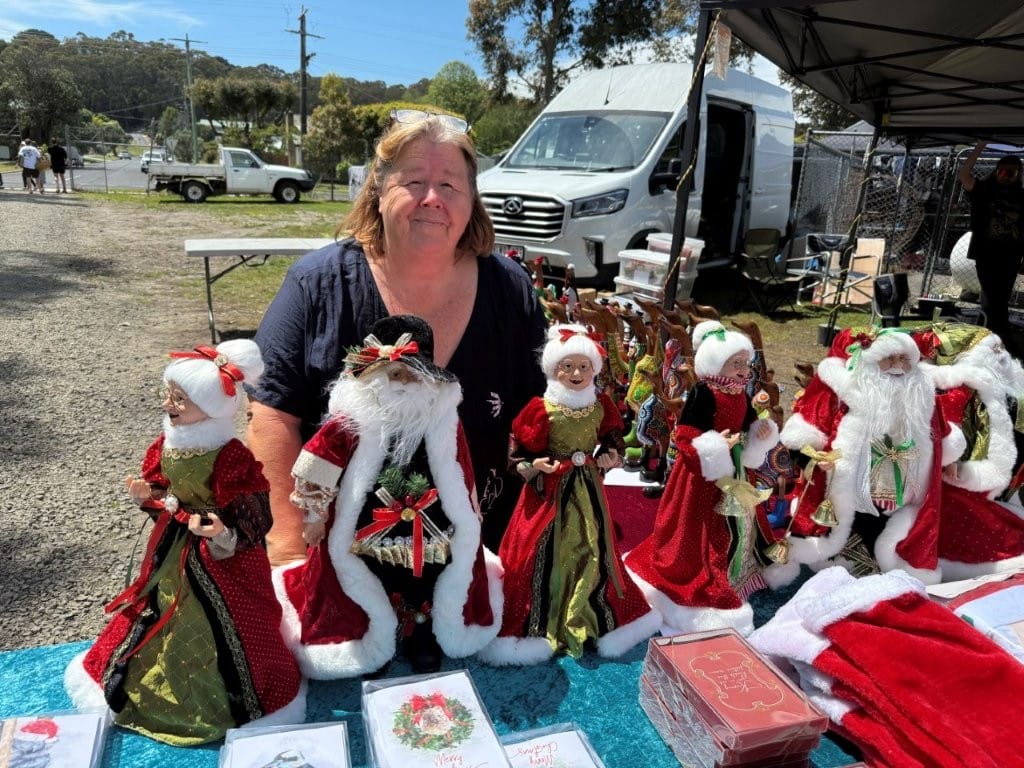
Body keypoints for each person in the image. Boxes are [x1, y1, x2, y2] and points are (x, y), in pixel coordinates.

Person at [247, 112, 547, 565]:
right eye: (413, 182)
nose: (432, 199)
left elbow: (542, 409)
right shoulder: (318, 283)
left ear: (471, 200)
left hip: (484, 560)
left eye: (449, 185)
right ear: (378, 190)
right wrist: (288, 551)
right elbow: (273, 416)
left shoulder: (510, 288)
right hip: (335, 565)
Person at [64, 339, 305, 745]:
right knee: (158, 609)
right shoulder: (168, 444)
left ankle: (227, 694)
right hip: (175, 546)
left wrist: (223, 530)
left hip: (221, 557)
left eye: (180, 399)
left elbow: (255, 509)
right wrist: (148, 498)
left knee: (232, 622)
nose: (168, 405)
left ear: (210, 408)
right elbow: (163, 488)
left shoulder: (230, 456)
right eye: (168, 395)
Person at [277, 315, 502, 678]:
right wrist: (315, 515)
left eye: (411, 375)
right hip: (365, 525)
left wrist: (468, 516)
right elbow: (317, 463)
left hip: (430, 527)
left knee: (426, 575)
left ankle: (421, 631)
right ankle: (369, 634)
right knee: (367, 575)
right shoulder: (353, 418)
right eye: (393, 374)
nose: (401, 383)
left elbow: (460, 469)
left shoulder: (442, 418)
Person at [479, 324, 659, 665]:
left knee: (592, 546)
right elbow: (516, 454)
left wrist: (610, 453)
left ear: (593, 369)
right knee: (538, 549)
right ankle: (540, 620)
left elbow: (611, 437)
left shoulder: (600, 403)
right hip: (549, 493)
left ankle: (592, 613)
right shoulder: (540, 408)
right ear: (553, 369)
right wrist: (536, 465)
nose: (576, 373)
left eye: (583, 366)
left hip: (588, 486)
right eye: (568, 366)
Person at [624, 321, 780, 636]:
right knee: (703, 530)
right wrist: (714, 447)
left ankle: (739, 570)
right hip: (701, 477)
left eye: (744, 363)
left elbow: (747, 420)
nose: (742, 369)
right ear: (716, 364)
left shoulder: (739, 390)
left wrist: (757, 433)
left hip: (735, 468)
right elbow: (684, 435)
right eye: (736, 363)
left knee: (740, 523)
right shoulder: (704, 391)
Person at [958, 141, 1024, 343]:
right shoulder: (984, 190)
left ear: (1019, 175)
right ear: (996, 171)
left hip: (1011, 255)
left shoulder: (1021, 196)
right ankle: (988, 335)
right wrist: (979, 146)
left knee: (1001, 297)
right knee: (989, 295)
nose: (1005, 177)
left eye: (1011, 174)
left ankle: (998, 335)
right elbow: (964, 176)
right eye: (1002, 172)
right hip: (986, 253)